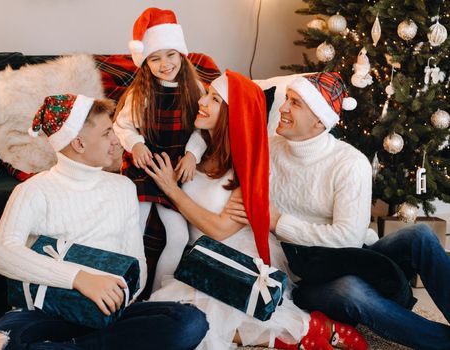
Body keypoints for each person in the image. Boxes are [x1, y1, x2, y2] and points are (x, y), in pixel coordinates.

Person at [144, 71, 367, 350]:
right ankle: (295, 338)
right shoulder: (194, 150)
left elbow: (221, 228)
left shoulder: (245, 163)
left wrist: (172, 190)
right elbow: (199, 137)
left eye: (214, 98)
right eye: (206, 94)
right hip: (202, 251)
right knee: (170, 312)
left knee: (201, 310)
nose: (201, 101)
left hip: (237, 249)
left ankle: (303, 329)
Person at [226, 72, 450, 350]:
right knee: (351, 290)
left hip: (354, 258)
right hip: (303, 278)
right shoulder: (268, 151)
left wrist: (278, 222)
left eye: (295, 103)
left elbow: (348, 240)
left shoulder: (349, 163)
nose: (282, 108)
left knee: (420, 235)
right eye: (286, 99)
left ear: (319, 120)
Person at [0, 94, 208, 350]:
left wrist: (120, 294)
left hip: (109, 312)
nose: (116, 140)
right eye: (107, 133)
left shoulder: (123, 187)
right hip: (48, 310)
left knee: (190, 321)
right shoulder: (34, 190)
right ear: (78, 143)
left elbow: (137, 263)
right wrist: (81, 279)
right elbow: (2, 253)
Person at [113, 7, 207, 292]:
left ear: (181, 54)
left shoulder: (196, 89)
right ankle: (131, 290)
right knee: (135, 229)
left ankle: (157, 293)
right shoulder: (140, 93)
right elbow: (122, 125)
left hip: (174, 171)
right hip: (144, 167)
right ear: (146, 63)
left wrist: (192, 154)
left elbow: (203, 129)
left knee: (178, 236)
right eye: (155, 58)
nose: (164, 63)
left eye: (170, 54)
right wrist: (136, 144)